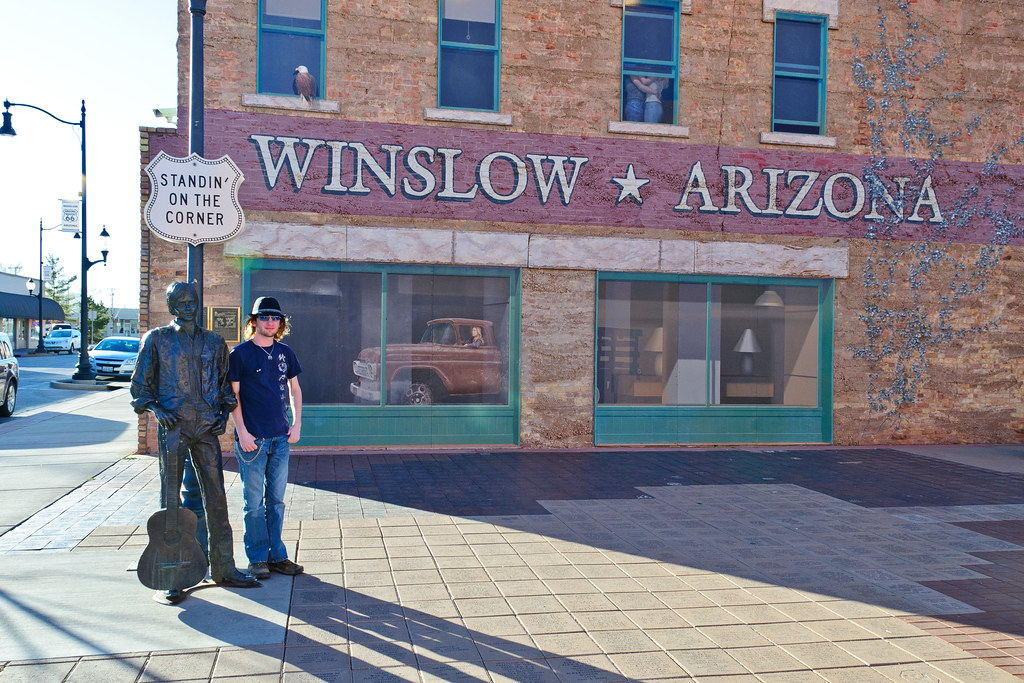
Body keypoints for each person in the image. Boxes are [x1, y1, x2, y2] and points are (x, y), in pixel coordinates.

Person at [130, 281, 260, 600]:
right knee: (170, 498)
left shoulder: (215, 342)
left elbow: (225, 388)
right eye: (181, 302)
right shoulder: (157, 340)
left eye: (192, 301)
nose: (188, 306)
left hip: (205, 427)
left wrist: (222, 414)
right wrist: (158, 410)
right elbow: (139, 388)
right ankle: (171, 572)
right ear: (172, 306)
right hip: (173, 426)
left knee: (216, 496)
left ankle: (224, 566)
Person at [229, 296, 304, 580]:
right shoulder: (240, 354)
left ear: (280, 323)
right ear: (254, 322)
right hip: (253, 441)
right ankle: (257, 558)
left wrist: (296, 425)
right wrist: (243, 432)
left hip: (280, 439)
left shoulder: (286, 353)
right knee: (254, 504)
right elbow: (233, 396)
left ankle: (277, 556)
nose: (270, 322)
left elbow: (295, 390)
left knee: (276, 501)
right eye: (264, 317)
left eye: (275, 318)